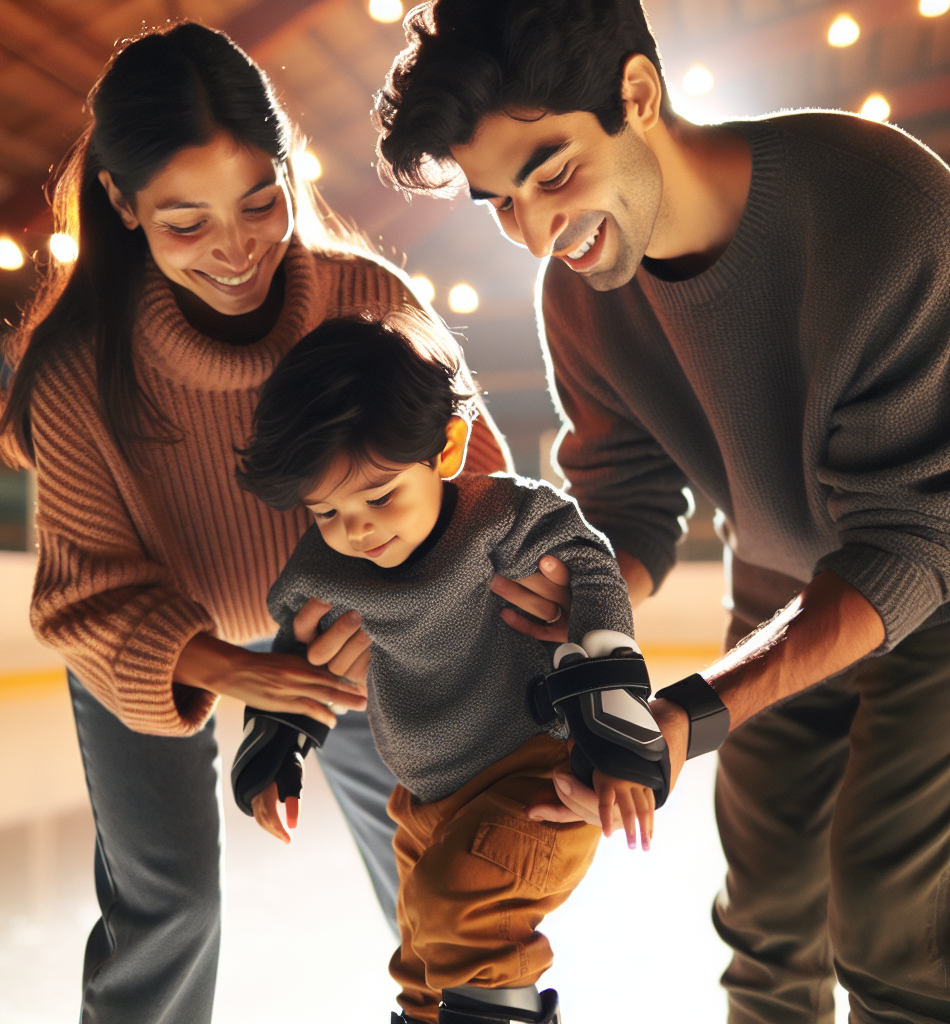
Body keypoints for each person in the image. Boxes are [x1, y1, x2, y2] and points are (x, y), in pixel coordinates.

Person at [371, 3, 950, 1024]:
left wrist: (692, 711)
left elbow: (909, 543)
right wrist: (576, 602)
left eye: (550, 173)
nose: (537, 230)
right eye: (500, 201)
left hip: (936, 599)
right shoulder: (581, 296)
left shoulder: (884, 207)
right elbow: (631, 505)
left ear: (637, 96)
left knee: (890, 925)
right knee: (766, 924)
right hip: (781, 595)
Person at [0, 22, 519, 1024]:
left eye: (260, 203)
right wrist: (232, 670)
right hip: (154, 636)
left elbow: (483, 493)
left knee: (440, 867)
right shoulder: (75, 371)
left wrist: (402, 608)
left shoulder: (369, 303)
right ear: (122, 202)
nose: (235, 251)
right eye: (184, 223)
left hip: (345, 611)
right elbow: (83, 596)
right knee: (168, 905)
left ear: (289, 170)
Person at [231, 309, 653, 1024]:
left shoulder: (502, 520)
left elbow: (592, 567)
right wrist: (275, 740)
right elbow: (295, 648)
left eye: (379, 495)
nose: (356, 529)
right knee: (423, 955)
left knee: (463, 911)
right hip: (423, 800)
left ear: (447, 448)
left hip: (537, 773)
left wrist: (615, 720)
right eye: (326, 512)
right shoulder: (324, 566)